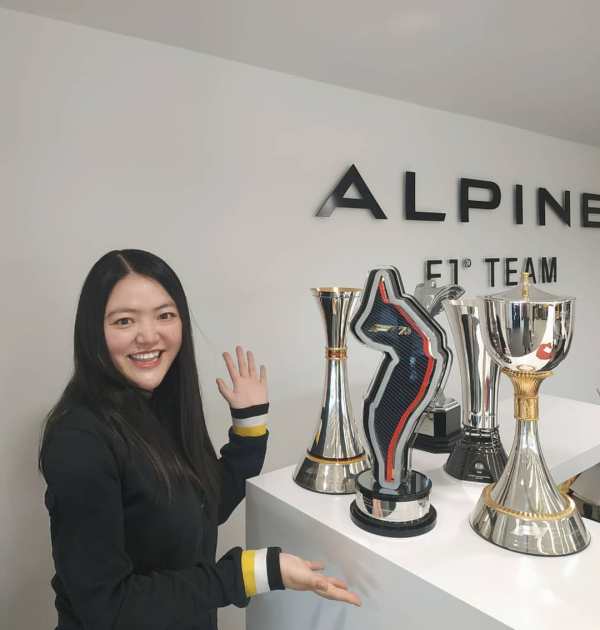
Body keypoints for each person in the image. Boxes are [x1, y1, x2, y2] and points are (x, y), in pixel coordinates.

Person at [39, 249, 361, 630]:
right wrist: (254, 572)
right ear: (94, 330)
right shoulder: (78, 440)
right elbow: (110, 608)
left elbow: (203, 509)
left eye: (164, 315)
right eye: (124, 321)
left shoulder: (162, 407)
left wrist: (249, 428)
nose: (148, 335)